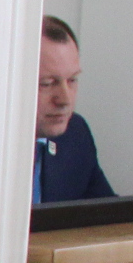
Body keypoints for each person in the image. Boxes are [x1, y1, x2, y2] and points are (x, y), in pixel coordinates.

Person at [34, 14, 113, 204]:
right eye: (47, 83)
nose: (65, 100)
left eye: (72, 80)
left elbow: (108, 214)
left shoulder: (75, 133)